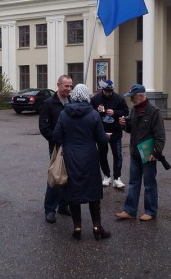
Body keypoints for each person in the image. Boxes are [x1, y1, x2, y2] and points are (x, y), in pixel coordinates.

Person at [53, 84, 111, 240]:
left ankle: (77, 227)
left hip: (70, 157)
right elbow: (101, 140)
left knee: (73, 191)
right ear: (86, 96)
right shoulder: (93, 114)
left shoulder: (64, 114)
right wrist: (106, 136)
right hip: (90, 157)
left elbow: (57, 137)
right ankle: (97, 227)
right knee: (93, 191)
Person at [115, 84, 165, 221]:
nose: (131, 99)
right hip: (135, 152)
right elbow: (132, 129)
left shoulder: (154, 111)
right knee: (133, 183)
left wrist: (156, 152)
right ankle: (130, 210)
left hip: (148, 153)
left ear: (141, 95)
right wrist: (124, 124)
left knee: (149, 184)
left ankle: (150, 211)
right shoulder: (134, 110)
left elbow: (160, 135)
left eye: (133, 96)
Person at [38, 75, 73, 224]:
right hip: (56, 147)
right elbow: (43, 127)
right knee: (56, 175)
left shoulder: (72, 102)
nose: (68, 89)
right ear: (58, 85)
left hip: (71, 147)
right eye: (66, 86)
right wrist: (57, 140)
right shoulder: (48, 104)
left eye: (70, 86)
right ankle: (50, 209)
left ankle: (63, 205)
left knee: (68, 176)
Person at [90, 80, 129, 188]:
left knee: (117, 155)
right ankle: (106, 176)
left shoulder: (119, 98)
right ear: (102, 90)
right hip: (101, 132)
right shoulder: (96, 98)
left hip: (115, 131)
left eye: (110, 91)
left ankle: (117, 178)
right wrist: (96, 110)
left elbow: (125, 111)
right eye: (106, 91)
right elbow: (89, 110)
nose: (108, 93)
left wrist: (115, 112)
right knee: (102, 155)